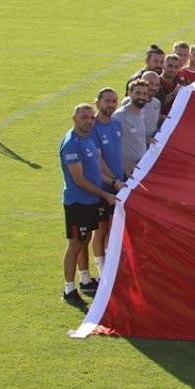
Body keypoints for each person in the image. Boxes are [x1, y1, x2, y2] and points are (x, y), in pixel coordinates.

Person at [61, 104, 122, 307]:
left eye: (90, 118)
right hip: (77, 202)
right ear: (74, 118)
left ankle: (86, 280)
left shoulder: (88, 139)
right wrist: (105, 194)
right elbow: (79, 180)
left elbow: (95, 171)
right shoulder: (71, 144)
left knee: (84, 240)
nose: (88, 121)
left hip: (90, 201)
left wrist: (113, 182)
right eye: (84, 117)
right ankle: (69, 289)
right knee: (75, 243)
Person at [89, 88, 126, 293]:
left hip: (118, 184)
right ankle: (103, 274)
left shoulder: (115, 124)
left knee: (113, 229)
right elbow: (98, 160)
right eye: (107, 101)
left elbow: (117, 153)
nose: (111, 105)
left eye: (114, 101)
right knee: (101, 231)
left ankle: (111, 270)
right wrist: (112, 181)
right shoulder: (93, 127)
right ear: (97, 103)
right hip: (104, 187)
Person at [113, 79, 151, 174]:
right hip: (127, 171)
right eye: (138, 93)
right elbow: (111, 146)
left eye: (144, 94)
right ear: (129, 93)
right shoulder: (119, 116)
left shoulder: (141, 113)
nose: (141, 97)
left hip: (140, 167)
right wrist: (125, 164)